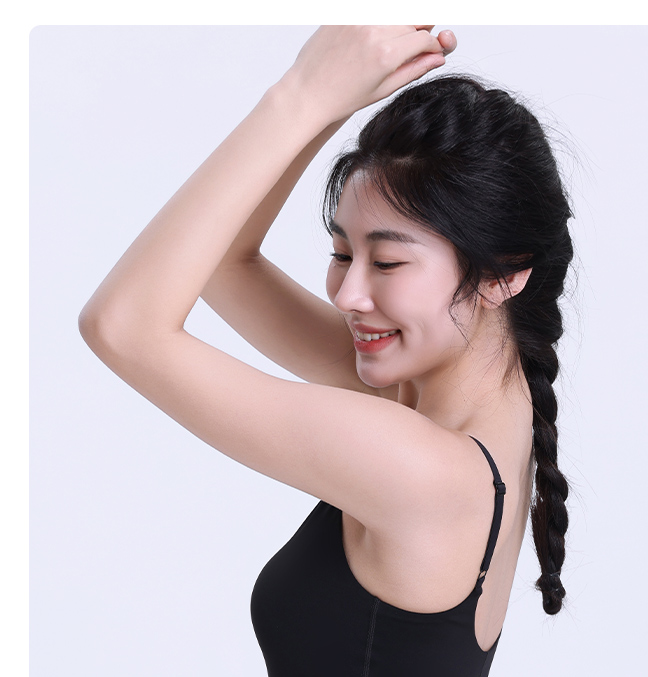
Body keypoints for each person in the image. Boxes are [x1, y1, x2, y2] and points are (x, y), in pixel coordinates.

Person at [79, 25, 574, 676]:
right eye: (341, 252)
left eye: (388, 261)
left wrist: (301, 96)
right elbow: (223, 262)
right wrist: (334, 104)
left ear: (503, 275)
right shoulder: (460, 407)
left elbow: (121, 326)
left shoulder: (421, 468)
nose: (347, 293)